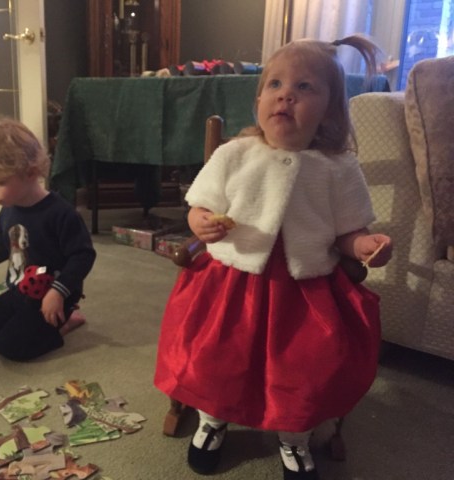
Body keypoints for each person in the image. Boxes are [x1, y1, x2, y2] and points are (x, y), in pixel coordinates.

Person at [154, 35, 393, 480]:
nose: (286, 95)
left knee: (306, 367)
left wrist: (363, 245)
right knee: (215, 356)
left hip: (305, 290)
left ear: (329, 110)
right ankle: (213, 419)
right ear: (259, 101)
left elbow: (348, 231)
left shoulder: (338, 166)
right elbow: (200, 205)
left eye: (305, 87)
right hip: (231, 281)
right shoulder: (235, 153)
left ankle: (295, 435)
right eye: (275, 85)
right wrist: (201, 222)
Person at [0, 118, 96, 361]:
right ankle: (38, 320)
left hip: (54, 292)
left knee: (11, 347)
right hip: (21, 288)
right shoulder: (9, 209)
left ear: (30, 173)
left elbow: (83, 256)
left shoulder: (61, 213)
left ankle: (65, 320)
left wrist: (58, 292)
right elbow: (3, 244)